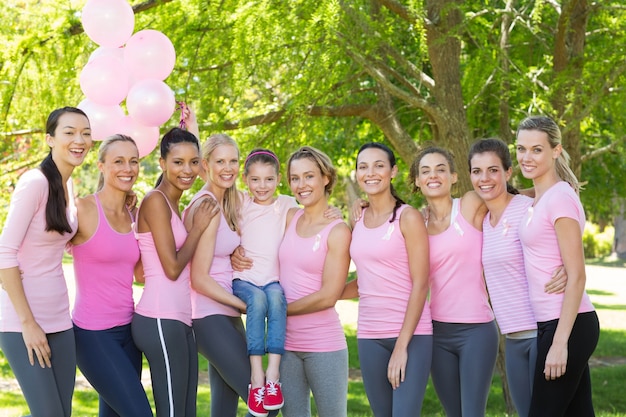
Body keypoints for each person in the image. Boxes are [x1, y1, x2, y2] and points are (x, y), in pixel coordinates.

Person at [0, 107, 91, 417]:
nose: (79, 140)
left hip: (60, 319)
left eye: (86, 133)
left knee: (61, 412)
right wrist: (28, 324)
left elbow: (59, 244)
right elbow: (4, 253)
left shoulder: (67, 186)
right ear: (50, 139)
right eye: (69, 132)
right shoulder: (34, 182)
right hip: (23, 321)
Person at [468, 137, 566, 417]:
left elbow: (565, 221)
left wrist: (570, 268)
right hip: (511, 338)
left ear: (508, 172)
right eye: (477, 171)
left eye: (493, 170)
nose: (485, 178)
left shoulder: (527, 208)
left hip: (542, 331)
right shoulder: (483, 220)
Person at [515, 116, 599, 416]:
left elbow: (577, 276)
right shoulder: (540, 199)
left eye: (536, 149)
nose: (526, 157)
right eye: (521, 148)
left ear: (555, 150)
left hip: (568, 325)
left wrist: (560, 343)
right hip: (552, 323)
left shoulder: (560, 198)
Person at [131, 128, 216, 417]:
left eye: (194, 162)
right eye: (178, 162)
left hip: (179, 319)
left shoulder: (173, 203)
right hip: (158, 318)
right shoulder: (155, 200)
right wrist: (197, 229)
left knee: (186, 411)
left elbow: (143, 269)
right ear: (162, 163)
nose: (187, 169)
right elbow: (171, 268)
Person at [408, 146, 499, 417]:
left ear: (454, 176)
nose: (433, 176)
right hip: (436, 332)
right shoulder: (415, 223)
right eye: (425, 171)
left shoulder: (470, 203)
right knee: (453, 413)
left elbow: (514, 201)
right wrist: (360, 204)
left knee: (472, 413)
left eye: (440, 169)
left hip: (477, 331)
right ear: (417, 180)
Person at [344, 142, 432, 417]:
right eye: (363, 167)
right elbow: (364, 281)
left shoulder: (408, 217)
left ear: (392, 171)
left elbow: (421, 284)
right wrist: (324, 293)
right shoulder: (357, 219)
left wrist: (402, 346)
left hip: (411, 335)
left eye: (379, 166)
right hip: (369, 335)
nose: (370, 173)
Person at [68, 134, 152, 417]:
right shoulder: (82, 209)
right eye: (118, 161)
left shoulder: (133, 216)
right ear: (101, 165)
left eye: (133, 161)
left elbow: (140, 275)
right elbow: (41, 250)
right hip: (93, 335)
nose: (127, 168)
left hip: (129, 333)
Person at [277, 146, 352, 417]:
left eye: (309, 176)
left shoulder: (338, 231)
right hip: (284, 346)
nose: (301, 185)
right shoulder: (288, 217)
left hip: (324, 345)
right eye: (295, 178)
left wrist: (278, 311)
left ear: (326, 178)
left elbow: (328, 295)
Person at [231, 148, 298, 416]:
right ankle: (257, 378)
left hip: (272, 279)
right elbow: (208, 170)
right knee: (258, 301)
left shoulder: (288, 203)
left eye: (269, 179)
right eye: (255, 179)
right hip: (244, 279)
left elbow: (317, 208)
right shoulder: (240, 202)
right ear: (245, 179)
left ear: (279, 179)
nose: (262, 186)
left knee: (276, 299)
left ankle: (273, 375)